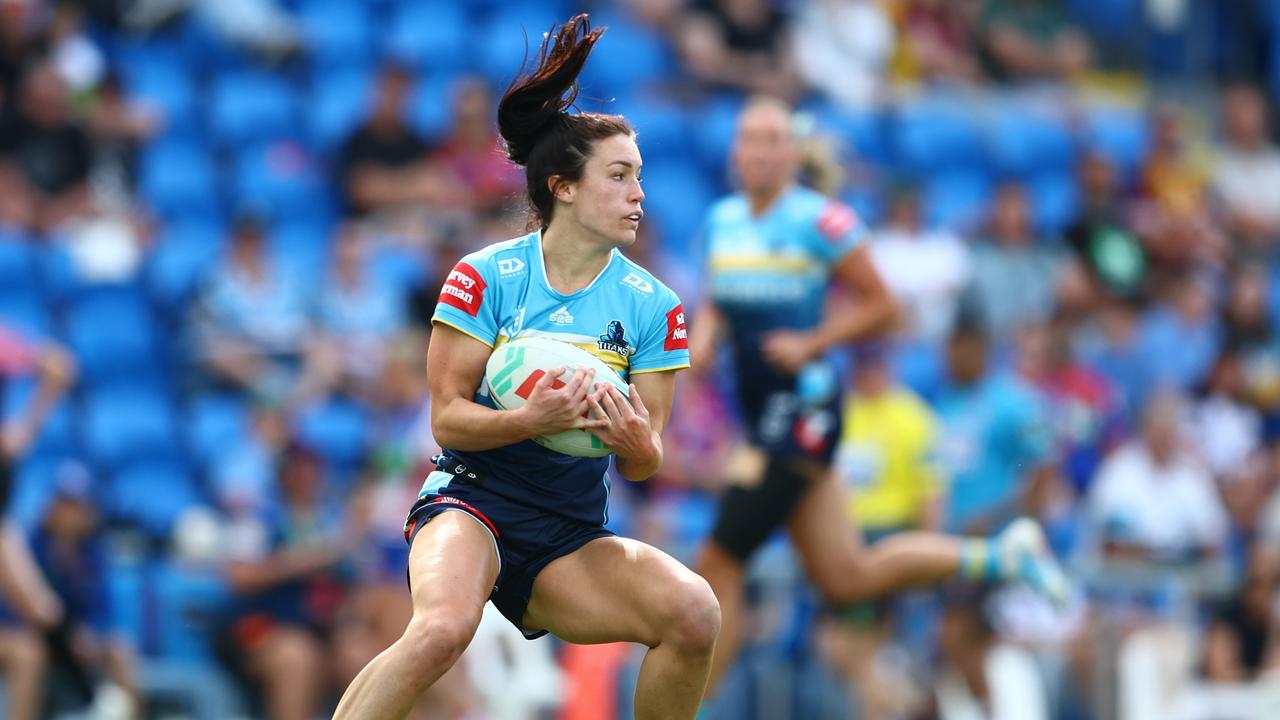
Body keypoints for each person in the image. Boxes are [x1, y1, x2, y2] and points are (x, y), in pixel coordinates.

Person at [334, 15, 720, 720]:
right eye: (620, 175)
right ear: (563, 187)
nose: (640, 193)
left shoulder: (655, 306)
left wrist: (639, 446)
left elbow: (646, 457)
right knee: (442, 631)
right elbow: (447, 418)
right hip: (472, 499)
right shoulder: (485, 276)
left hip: (568, 532)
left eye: (641, 176)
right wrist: (529, 421)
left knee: (694, 614)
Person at [688, 97, 1068, 697]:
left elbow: (883, 306)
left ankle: (686, 713)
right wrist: (705, 339)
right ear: (734, 151)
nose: (758, 151)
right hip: (761, 411)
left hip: (806, 409)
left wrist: (813, 339)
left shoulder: (822, 221)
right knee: (847, 576)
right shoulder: (721, 222)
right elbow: (717, 300)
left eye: (772, 140)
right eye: (749, 139)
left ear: (792, 153)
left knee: (718, 563)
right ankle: (1000, 558)